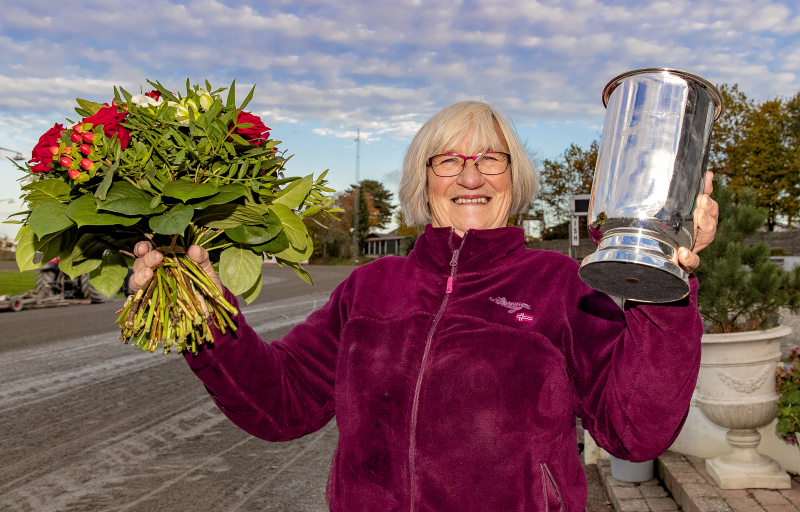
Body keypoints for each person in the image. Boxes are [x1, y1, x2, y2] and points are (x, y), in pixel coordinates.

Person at [131, 101, 719, 511]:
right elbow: (281, 404)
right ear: (425, 177)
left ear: (514, 180)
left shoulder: (558, 284)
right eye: (449, 160)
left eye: (491, 158)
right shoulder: (371, 287)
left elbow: (635, 430)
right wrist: (203, 309)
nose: (470, 174)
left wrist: (664, 288)